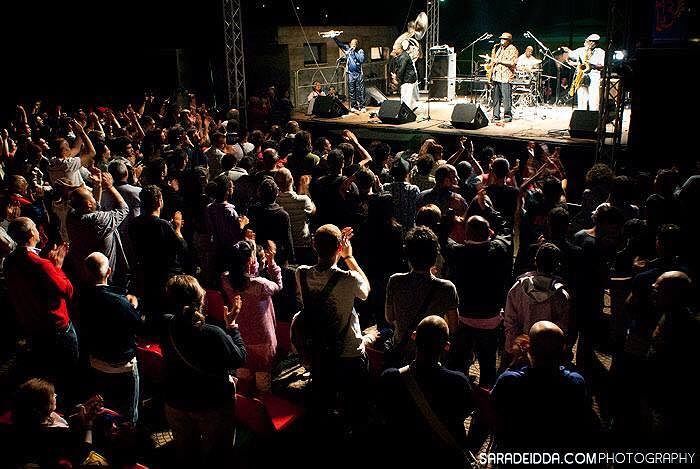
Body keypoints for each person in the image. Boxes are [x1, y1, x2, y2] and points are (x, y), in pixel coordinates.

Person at [293, 224, 377, 423]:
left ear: (313, 245)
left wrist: (336, 246)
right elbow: (366, 290)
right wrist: (349, 256)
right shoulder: (348, 279)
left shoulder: (301, 273)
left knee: (324, 402)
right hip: (348, 351)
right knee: (354, 404)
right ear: (339, 247)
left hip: (318, 349)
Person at [161, 275, 246, 467]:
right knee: (216, 456)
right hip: (211, 404)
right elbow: (239, 358)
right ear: (200, 299)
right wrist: (232, 326)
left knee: (185, 454)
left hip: (175, 400)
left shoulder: (165, 324)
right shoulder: (213, 333)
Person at [379, 316, 475, 467]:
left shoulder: (390, 378)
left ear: (414, 337)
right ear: (447, 346)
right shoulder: (459, 382)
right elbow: (464, 412)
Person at [491, 321, 594, 450]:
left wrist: (515, 362)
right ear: (563, 350)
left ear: (528, 348)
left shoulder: (510, 380)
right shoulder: (576, 382)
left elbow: (494, 409)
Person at [5, 217, 78, 390]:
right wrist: (57, 267)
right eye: (36, 228)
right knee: (65, 372)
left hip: (32, 325)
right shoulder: (40, 264)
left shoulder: (10, 260)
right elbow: (67, 290)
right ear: (32, 232)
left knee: (44, 371)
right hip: (56, 328)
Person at [446, 215, 512, 387]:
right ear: (489, 232)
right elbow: (506, 231)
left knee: (459, 362)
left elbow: (442, 237)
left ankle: (460, 391)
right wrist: (492, 212)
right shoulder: (498, 249)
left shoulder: (457, 252)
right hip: (490, 319)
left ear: (466, 233)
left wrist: (450, 218)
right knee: (488, 363)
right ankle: (485, 394)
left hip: (463, 318)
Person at [80, 252, 141, 423]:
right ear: (109, 272)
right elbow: (137, 325)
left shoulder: (80, 298)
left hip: (96, 362)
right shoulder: (120, 302)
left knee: (102, 406)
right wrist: (133, 306)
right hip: (123, 365)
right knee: (128, 412)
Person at [385, 226, 458, 363]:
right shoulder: (447, 288)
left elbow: (389, 318)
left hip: (402, 350)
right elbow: (453, 327)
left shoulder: (395, 281)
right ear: (435, 257)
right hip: (433, 354)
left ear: (408, 256)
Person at [221, 240, 282, 394]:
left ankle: (243, 407)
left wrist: (250, 262)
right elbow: (278, 284)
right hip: (262, 339)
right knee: (263, 386)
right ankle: (261, 406)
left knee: (243, 383)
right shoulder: (261, 285)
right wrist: (271, 263)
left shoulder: (226, 280)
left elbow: (244, 276)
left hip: (241, 336)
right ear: (250, 261)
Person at [129, 185, 188, 318]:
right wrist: (177, 229)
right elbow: (182, 247)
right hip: (163, 276)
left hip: (144, 274)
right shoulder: (163, 225)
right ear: (159, 202)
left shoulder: (134, 223)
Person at [504, 243, 571, 355]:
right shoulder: (561, 295)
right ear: (557, 265)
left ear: (535, 261)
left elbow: (510, 320)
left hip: (521, 348)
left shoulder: (518, 288)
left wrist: (514, 345)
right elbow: (562, 328)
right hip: (547, 353)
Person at [66, 171, 130, 286]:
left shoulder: (71, 217)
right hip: (105, 276)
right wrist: (110, 187)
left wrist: (98, 187)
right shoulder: (100, 220)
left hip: (83, 273)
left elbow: (93, 208)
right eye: (91, 196)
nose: (94, 198)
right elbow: (124, 209)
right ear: (89, 204)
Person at [249, 177, 295, 264]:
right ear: (276, 193)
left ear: (259, 193)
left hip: (258, 256)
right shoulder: (283, 215)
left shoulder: (253, 211)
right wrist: (290, 259)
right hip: (277, 257)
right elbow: (287, 241)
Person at [567, 34, 605, 111]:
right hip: (581, 75)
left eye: (594, 42)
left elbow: (602, 66)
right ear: (586, 41)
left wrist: (591, 65)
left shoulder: (600, 52)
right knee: (581, 98)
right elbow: (569, 55)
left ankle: (593, 114)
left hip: (594, 76)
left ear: (597, 43)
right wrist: (571, 62)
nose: (591, 43)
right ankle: (581, 114)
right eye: (589, 41)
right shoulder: (581, 50)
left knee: (593, 98)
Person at [382, 157, 421, 230]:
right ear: (407, 173)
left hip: (390, 229)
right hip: (408, 229)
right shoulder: (413, 189)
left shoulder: (386, 187)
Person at [489, 32, 518, 123]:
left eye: (504, 39)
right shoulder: (499, 49)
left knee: (506, 98)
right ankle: (496, 116)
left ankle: (507, 116)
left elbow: (512, 62)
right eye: (501, 38)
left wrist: (499, 61)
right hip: (497, 76)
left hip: (506, 77)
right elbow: (494, 60)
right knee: (496, 98)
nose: (501, 40)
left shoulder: (513, 49)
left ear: (508, 41)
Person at [334, 36, 366, 112]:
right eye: (351, 44)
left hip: (358, 74)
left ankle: (362, 106)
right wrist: (334, 37)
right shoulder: (348, 49)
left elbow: (361, 60)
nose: (352, 46)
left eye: (354, 44)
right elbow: (340, 44)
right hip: (351, 74)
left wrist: (354, 52)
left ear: (357, 45)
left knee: (360, 90)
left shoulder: (360, 51)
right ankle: (353, 106)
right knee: (352, 90)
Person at [393, 38, 420, 110]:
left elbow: (401, 69)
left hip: (408, 79)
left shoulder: (404, 57)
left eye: (395, 49)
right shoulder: (401, 56)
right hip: (407, 78)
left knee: (406, 96)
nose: (393, 51)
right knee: (406, 95)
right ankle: (411, 107)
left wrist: (397, 79)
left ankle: (406, 111)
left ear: (399, 49)